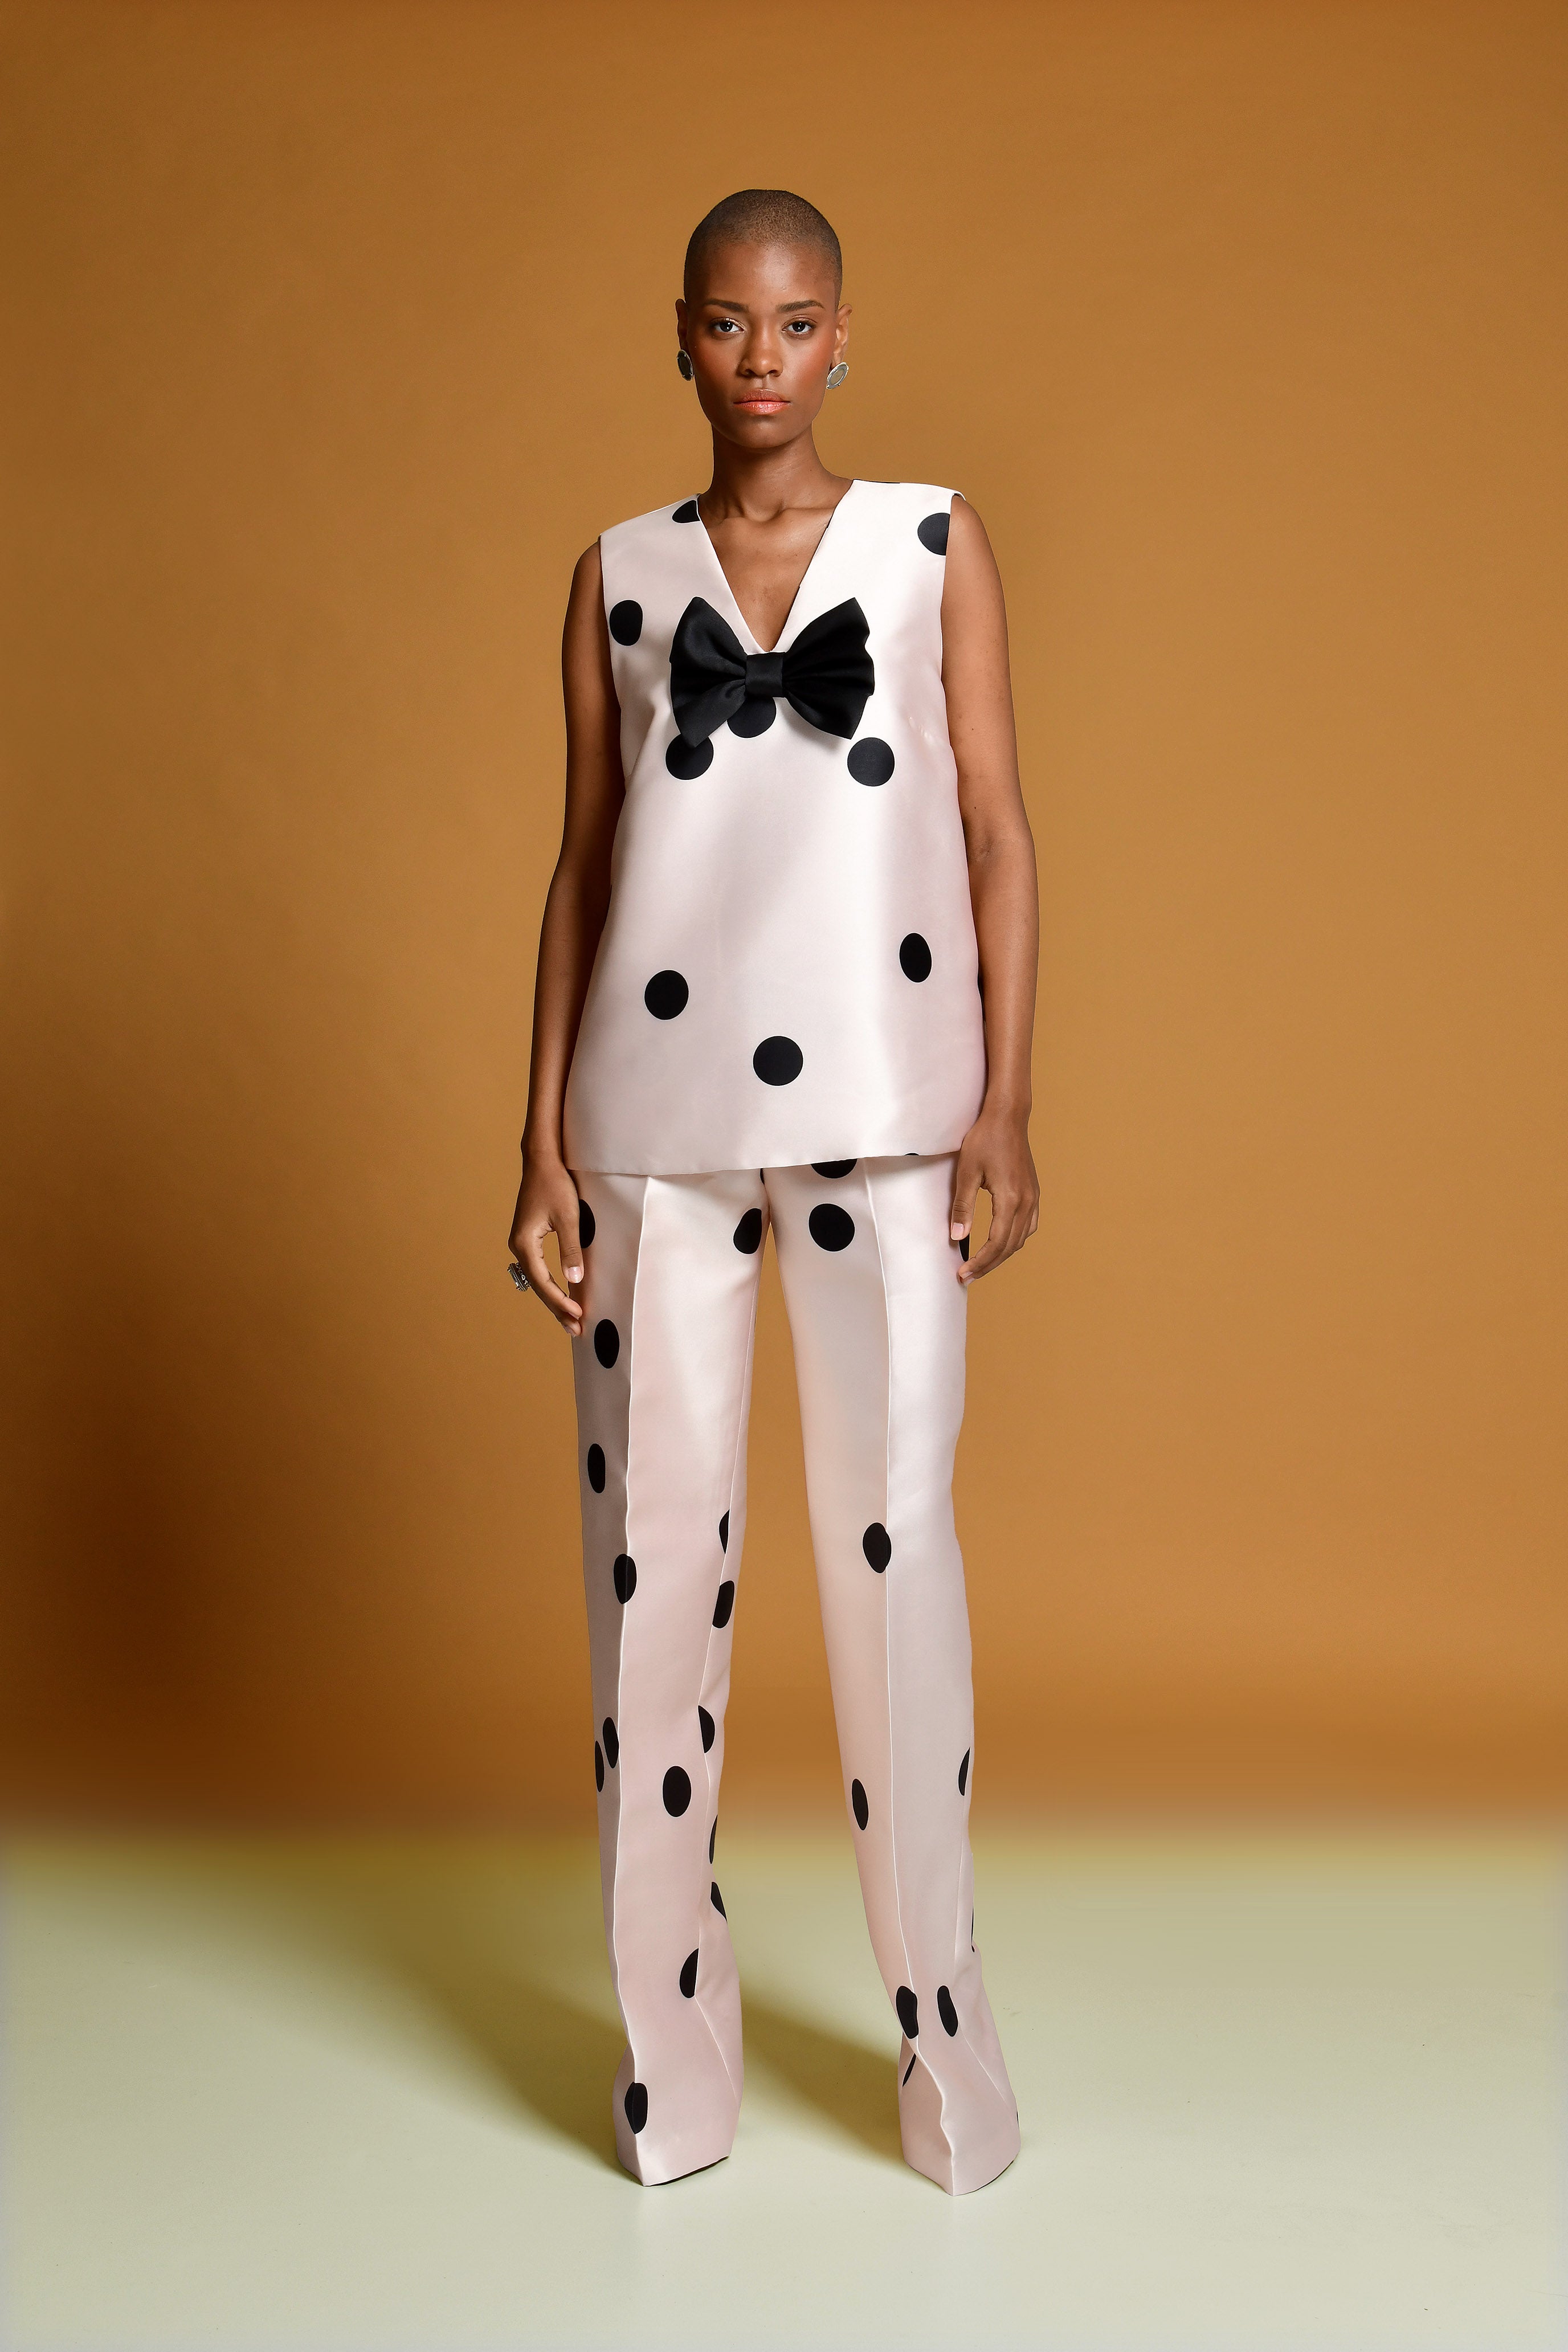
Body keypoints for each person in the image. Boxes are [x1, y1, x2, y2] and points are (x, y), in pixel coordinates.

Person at [509, 188, 1039, 2195]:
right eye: (729, 322)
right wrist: (537, 1139)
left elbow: (998, 826)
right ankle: (674, 2072)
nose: (762, 356)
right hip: (648, 1126)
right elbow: (584, 859)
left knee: (898, 1569)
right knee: (651, 1585)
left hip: (893, 1109)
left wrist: (1004, 1101)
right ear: (680, 336)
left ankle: (947, 2064)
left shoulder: (931, 544)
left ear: (841, 339)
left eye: (797, 321)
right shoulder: (616, 575)